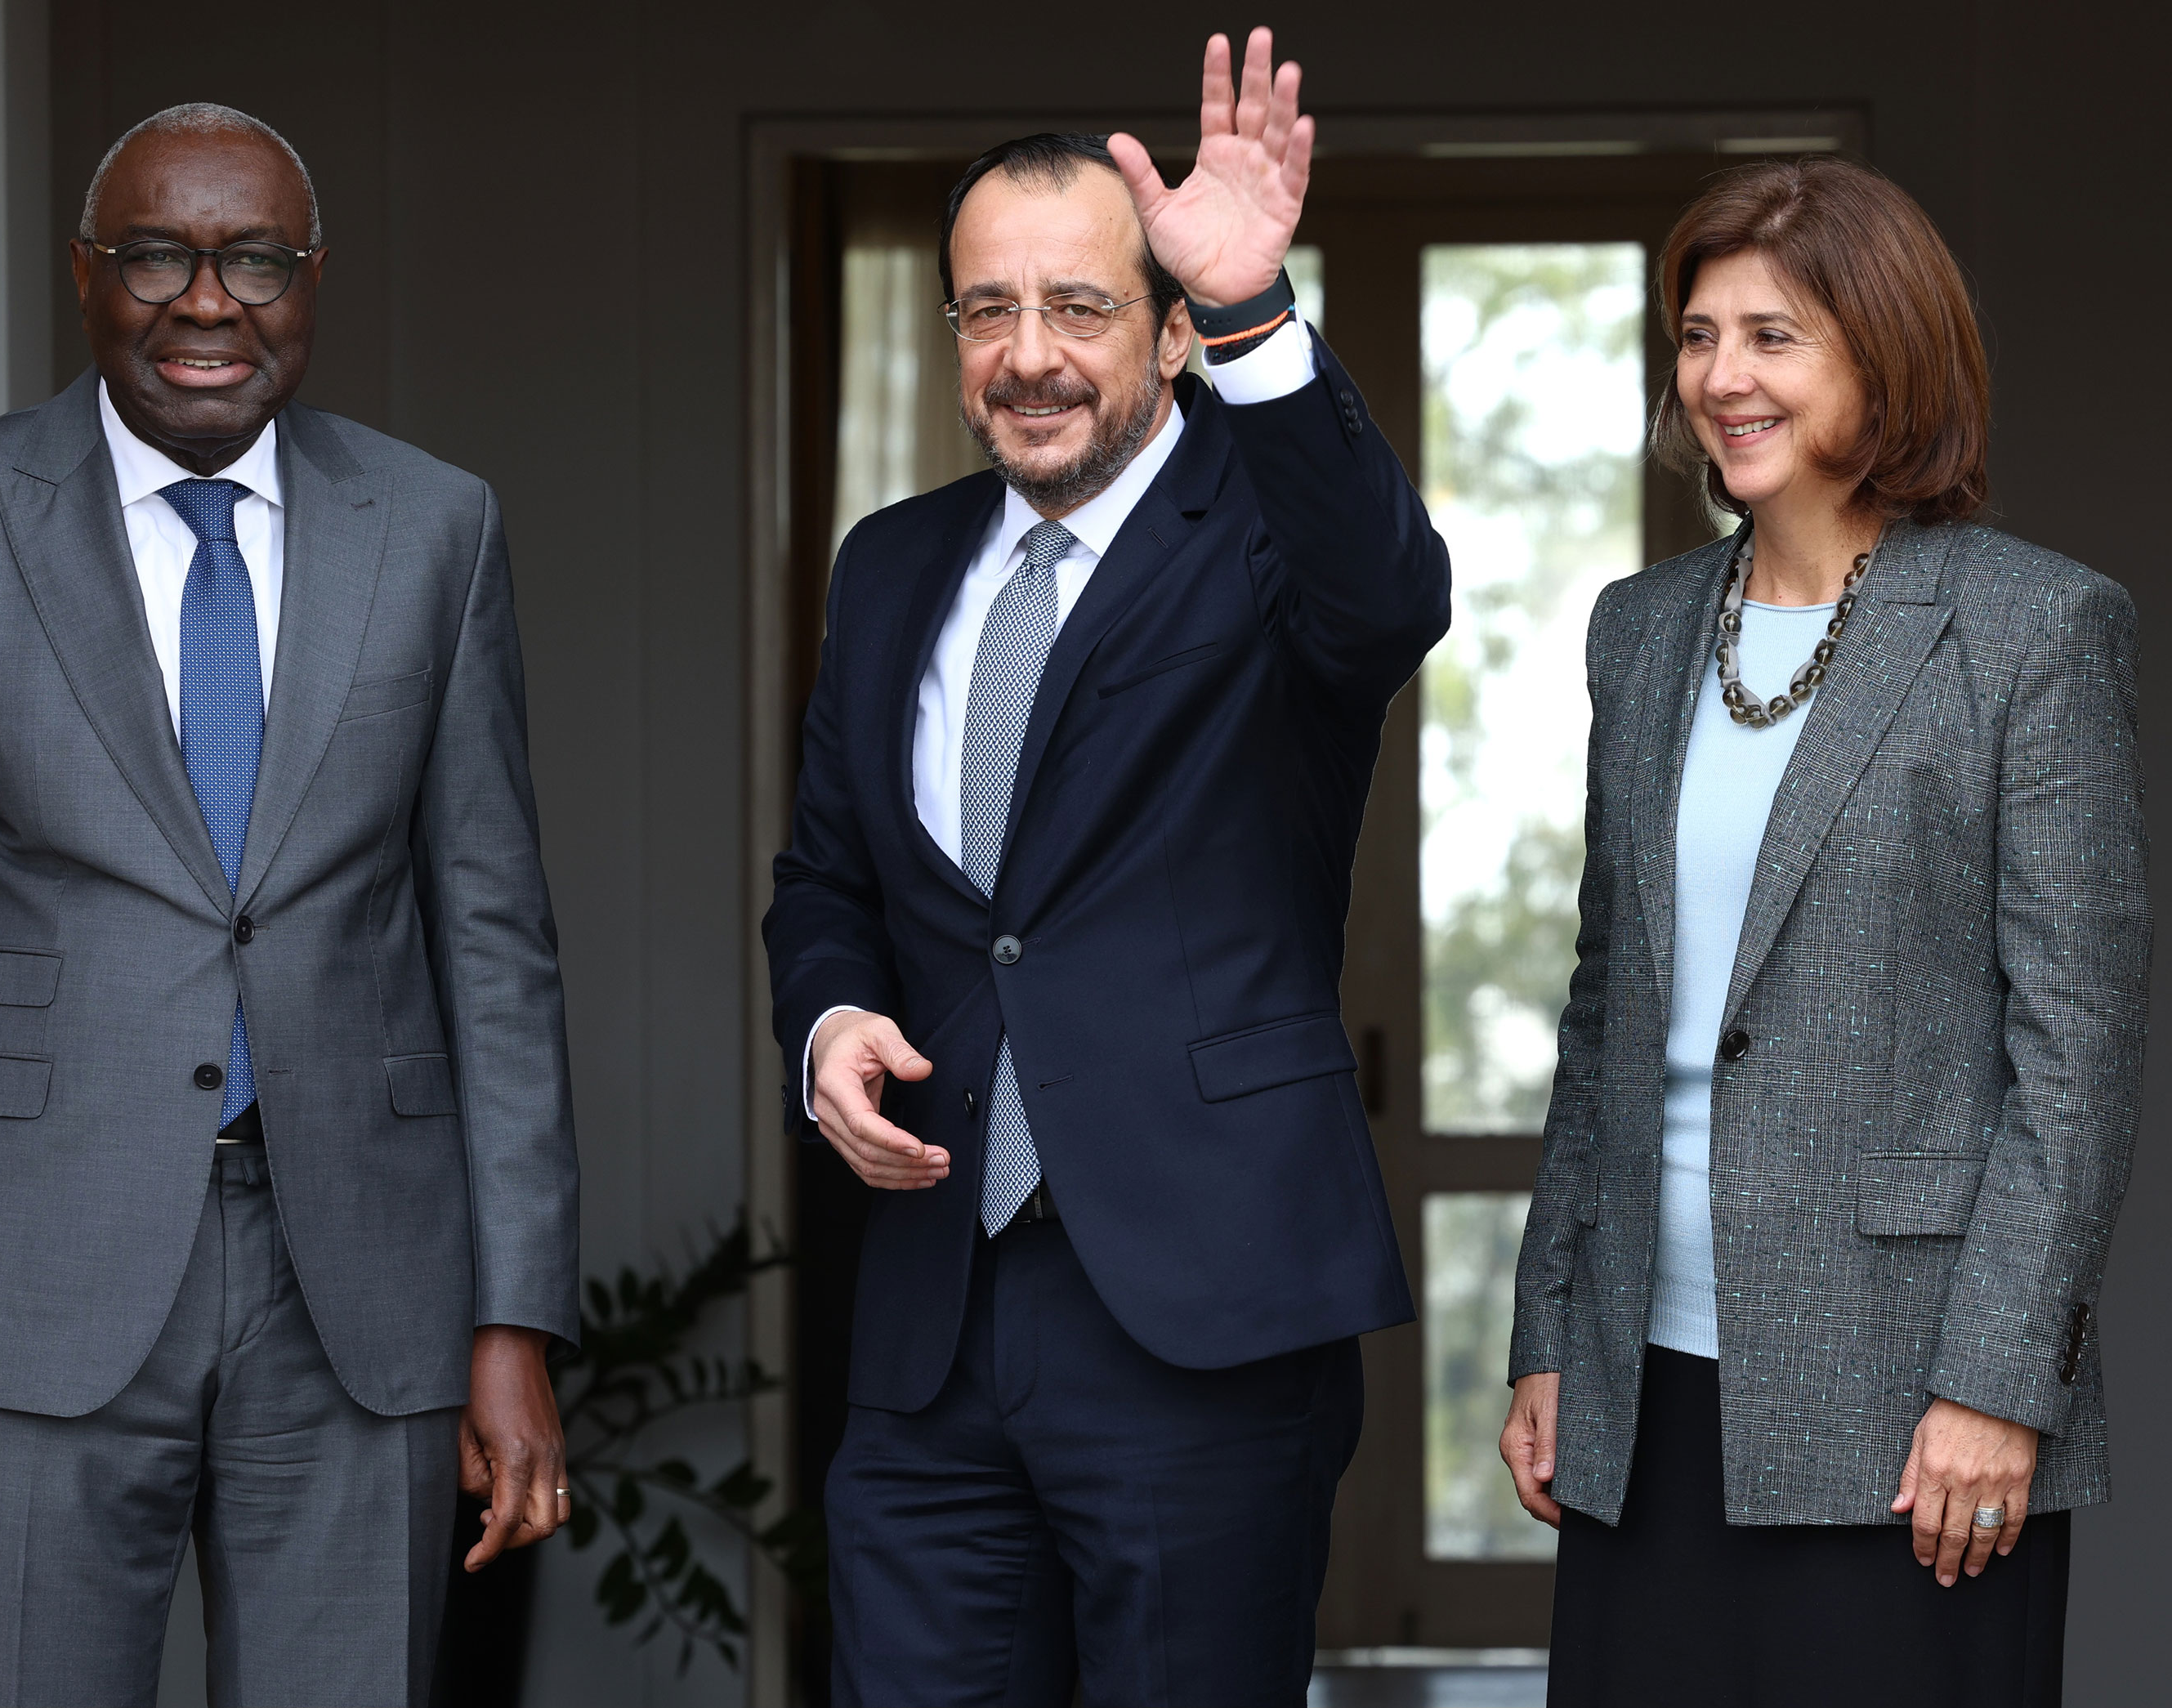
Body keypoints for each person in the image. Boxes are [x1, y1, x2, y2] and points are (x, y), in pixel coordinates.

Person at [0, 103, 579, 1704]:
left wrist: (515, 1321)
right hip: (30, 1290)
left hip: (360, 1290)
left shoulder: (437, 528)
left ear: (313, 277)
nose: (207, 303)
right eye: (156, 256)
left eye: (255, 261)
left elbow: (496, 949)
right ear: (85, 273)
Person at [763, 30, 1450, 1705]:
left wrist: (1257, 309)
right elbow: (830, 877)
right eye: (987, 310)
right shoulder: (891, 563)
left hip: (1199, 1305)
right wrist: (830, 1018)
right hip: (931, 1317)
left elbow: (1388, 597)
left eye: (1079, 307)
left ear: (1168, 327)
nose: (1030, 356)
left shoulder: (1267, 528)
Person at [1500, 155, 2147, 1708]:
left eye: (1773, 336)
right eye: (1699, 335)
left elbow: (2077, 1053)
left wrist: (1997, 1380)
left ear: (1887, 355)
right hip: (1640, 1391)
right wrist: (1550, 1330)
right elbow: (1607, 1007)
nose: (1723, 377)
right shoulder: (1641, 628)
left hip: (1914, 1412)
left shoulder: (2033, 628)